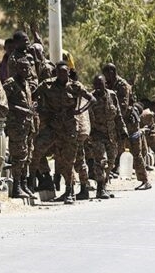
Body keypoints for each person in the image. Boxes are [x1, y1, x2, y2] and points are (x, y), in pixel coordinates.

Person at [30, 61, 96, 204]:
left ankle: (69, 190)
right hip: (52, 127)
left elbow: (92, 99)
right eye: (60, 72)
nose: (63, 75)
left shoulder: (74, 86)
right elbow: (32, 97)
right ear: (56, 73)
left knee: (69, 160)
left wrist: (79, 111)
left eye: (65, 72)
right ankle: (30, 182)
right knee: (37, 150)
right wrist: (41, 110)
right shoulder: (47, 85)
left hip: (69, 128)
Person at [82, 75, 128, 199]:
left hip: (112, 135)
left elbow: (118, 114)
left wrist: (123, 130)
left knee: (111, 162)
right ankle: (99, 189)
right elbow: (87, 118)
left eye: (100, 84)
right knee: (101, 161)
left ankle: (104, 186)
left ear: (105, 84)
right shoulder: (90, 98)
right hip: (97, 135)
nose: (98, 87)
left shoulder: (112, 95)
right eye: (96, 85)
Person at [3, 57, 37, 199]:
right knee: (18, 157)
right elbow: (4, 102)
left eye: (27, 68)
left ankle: (23, 184)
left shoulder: (27, 83)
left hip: (27, 126)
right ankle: (16, 187)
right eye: (22, 68)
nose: (25, 70)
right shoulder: (11, 84)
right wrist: (20, 110)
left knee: (27, 156)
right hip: (16, 126)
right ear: (16, 68)